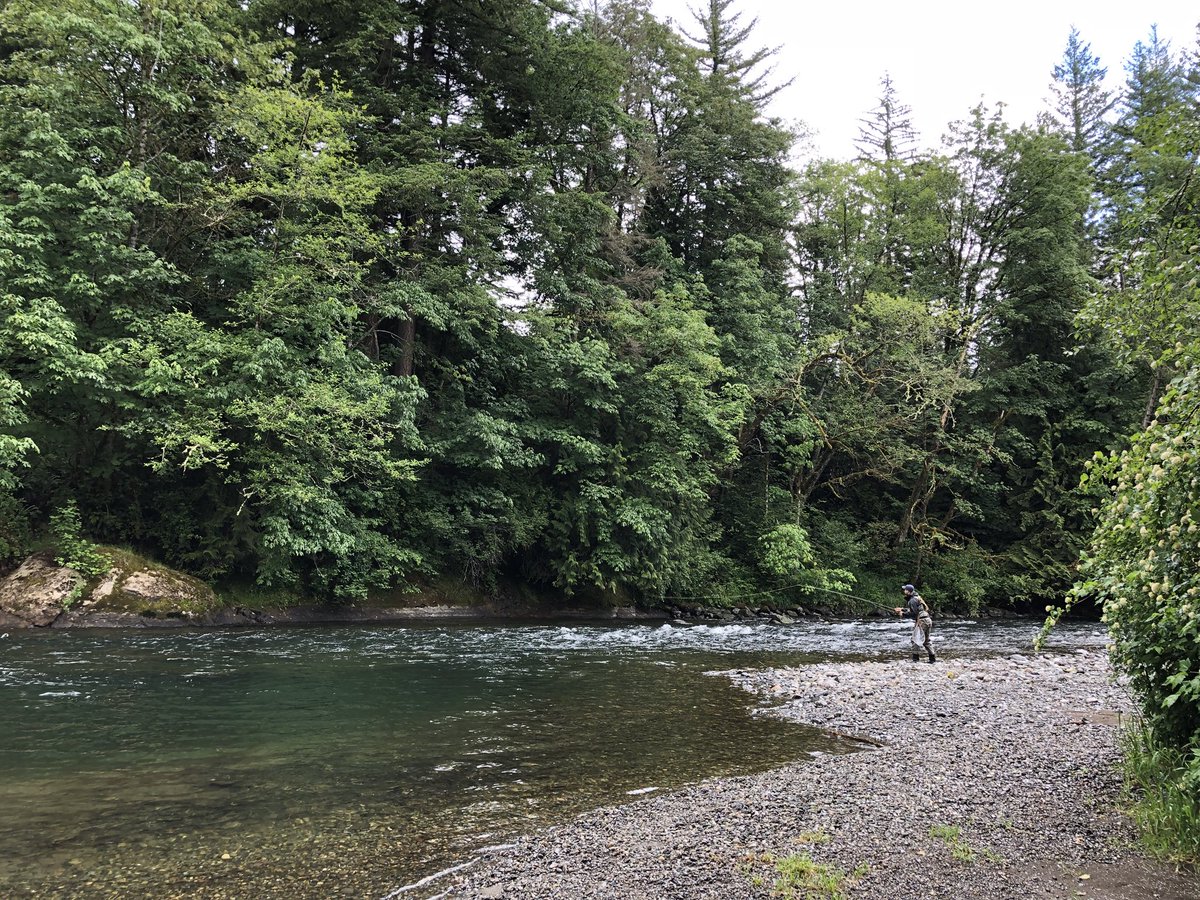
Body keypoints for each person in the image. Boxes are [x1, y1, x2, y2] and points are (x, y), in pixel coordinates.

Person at [894, 583, 936, 663]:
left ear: (908, 591)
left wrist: (902, 614)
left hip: (922, 621)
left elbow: (914, 614)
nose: (904, 591)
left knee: (915, 639)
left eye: (905, 590)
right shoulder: (917, 597)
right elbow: (917, 610)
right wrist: (902, 609)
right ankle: (932, 659)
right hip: (927, 619)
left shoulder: (912, 600)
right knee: (926, 641)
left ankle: (915, 659)